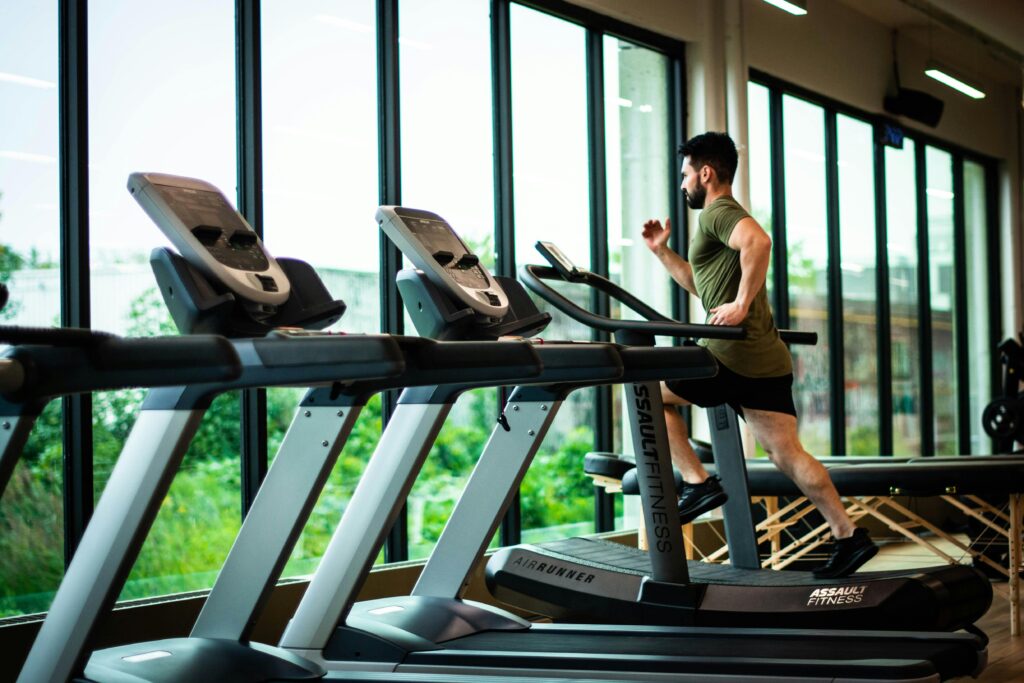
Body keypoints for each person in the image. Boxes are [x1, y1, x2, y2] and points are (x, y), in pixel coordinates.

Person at [642, 131, 877, 579]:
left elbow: (760, 243)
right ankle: (848, 535)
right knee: (787, 453)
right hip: (765, 359)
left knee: (646, 391)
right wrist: (662, 252)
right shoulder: (719, 221)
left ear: (705, 173)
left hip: (728, 354)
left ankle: (697, 484)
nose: (683, 184)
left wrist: (742, 305)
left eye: (685, 175)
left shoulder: (719, 212)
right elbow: (702, 285)